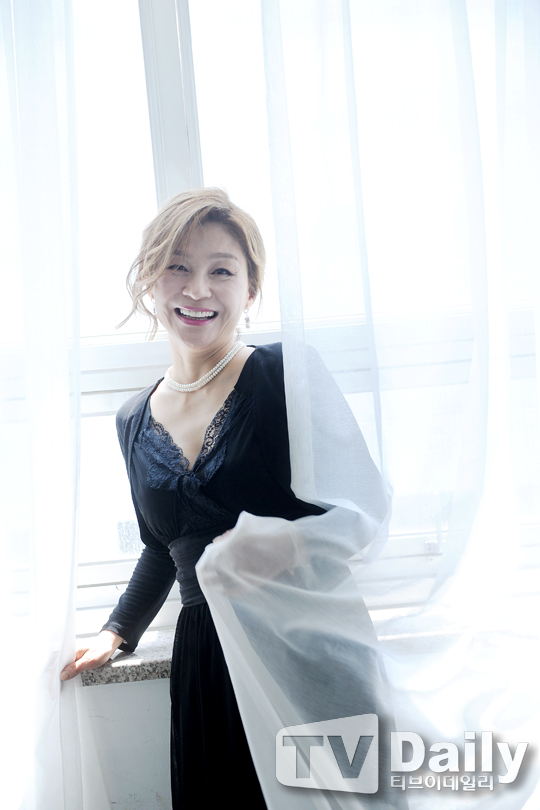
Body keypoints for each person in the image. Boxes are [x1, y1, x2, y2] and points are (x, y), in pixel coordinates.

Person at [60, 188, 397, 809]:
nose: (198, 289)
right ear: (150, 280)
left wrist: (284, 543)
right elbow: (161, 547)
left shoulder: (285, 373)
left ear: (250, 288)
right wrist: (117, 630)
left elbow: (366, 511)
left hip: (303, 645)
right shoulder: (133, 418)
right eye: (178, 266)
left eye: (222, 270)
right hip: (208, 660)